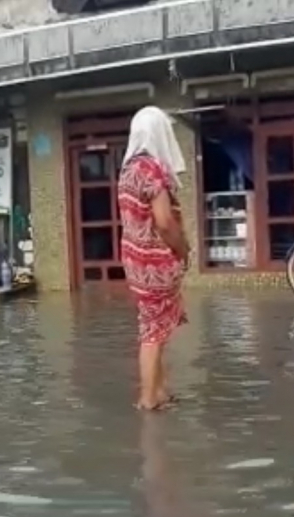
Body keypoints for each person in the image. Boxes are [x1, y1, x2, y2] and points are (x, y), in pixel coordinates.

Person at [118, 106, 190, 411]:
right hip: (157, 264)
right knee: (153, 334)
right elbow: (163, 221)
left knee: (154, 327)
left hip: (135, 263)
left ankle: (159, 391)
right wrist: (183, 249)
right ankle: (148, 398)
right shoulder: (152, 170)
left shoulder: (128, 171)